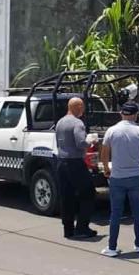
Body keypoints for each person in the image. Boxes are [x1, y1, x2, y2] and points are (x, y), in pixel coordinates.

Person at [100, 102, 139, 257]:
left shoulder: (112, 131)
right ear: (136, 115)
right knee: (138, 212)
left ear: (121, 113)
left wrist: (107, 169)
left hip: (117, 177)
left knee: (116, 213)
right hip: (135, 177)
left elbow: (104, 153)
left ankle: (112, 247)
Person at [55, 98, 97, 239]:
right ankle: (82, 227)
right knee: (88, 193)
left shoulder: (60, 122)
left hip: (61, 162)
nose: (83, 110)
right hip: (75, 163)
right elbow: (81, 144)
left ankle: (68, 229)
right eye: (83, 107)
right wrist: (90, 140)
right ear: (78, 107)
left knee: (67, 196)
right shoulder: (78, 123)